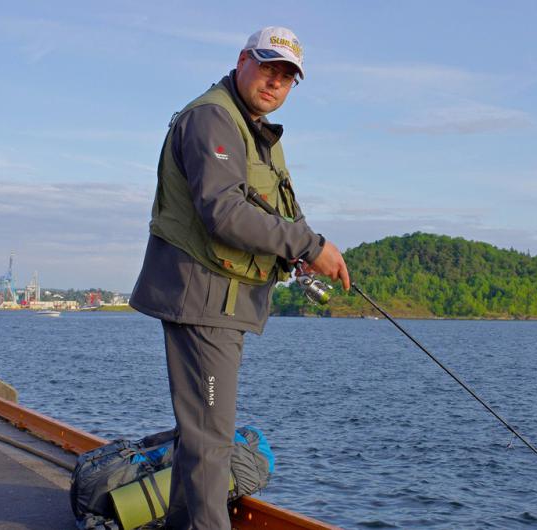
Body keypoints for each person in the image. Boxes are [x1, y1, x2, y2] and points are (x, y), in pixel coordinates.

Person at [129, 26, 350, 530]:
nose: (275, 82)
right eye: (268, 67)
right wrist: (310, 247)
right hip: (204, 302)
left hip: (221, 303)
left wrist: (299, 250)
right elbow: (224, 213)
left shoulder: (253, 128)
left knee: (200, 435)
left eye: (287, 77)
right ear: (242, 59)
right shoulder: (213, 119)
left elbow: (270, 212)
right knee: (210, 440)